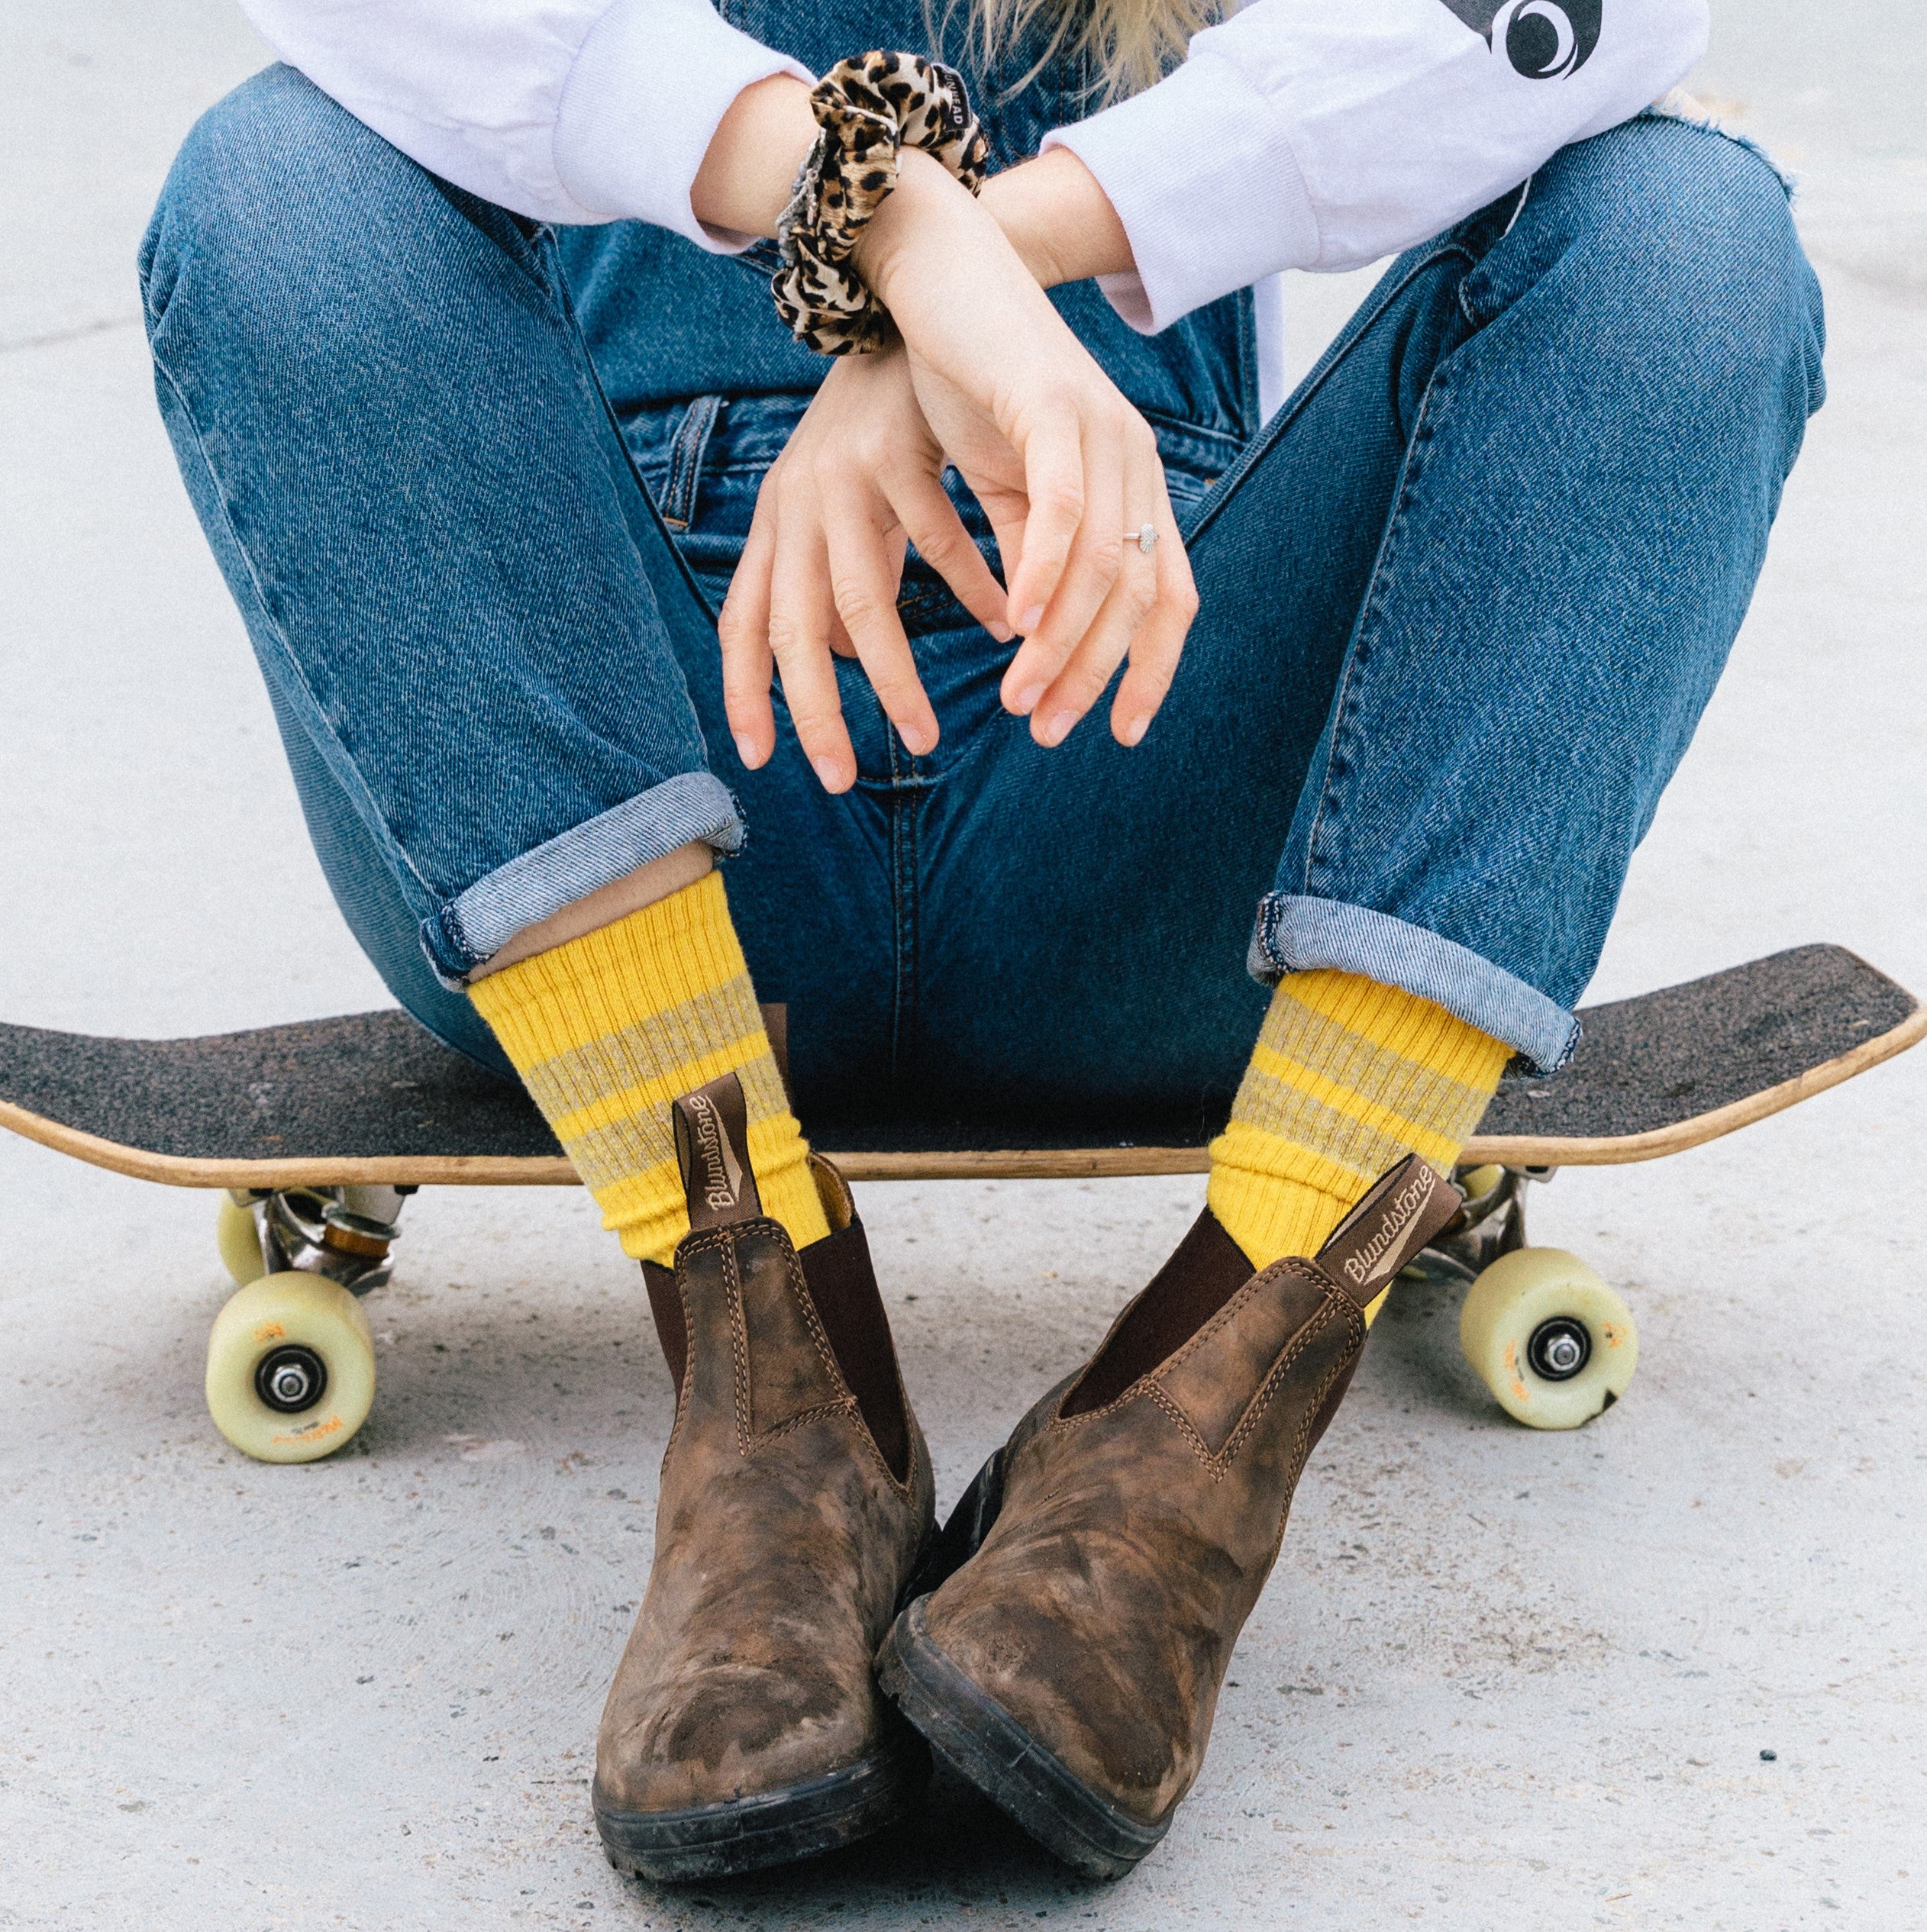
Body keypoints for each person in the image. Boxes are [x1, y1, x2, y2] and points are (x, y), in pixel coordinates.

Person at [138, 0, 1822, 1882]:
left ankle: (1213, 1388)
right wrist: (886, 235)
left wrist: (988, 276)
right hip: (600, 780)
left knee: (1687, 232)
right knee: (274, 181)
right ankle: (768, 1372)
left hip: (1137, 757)